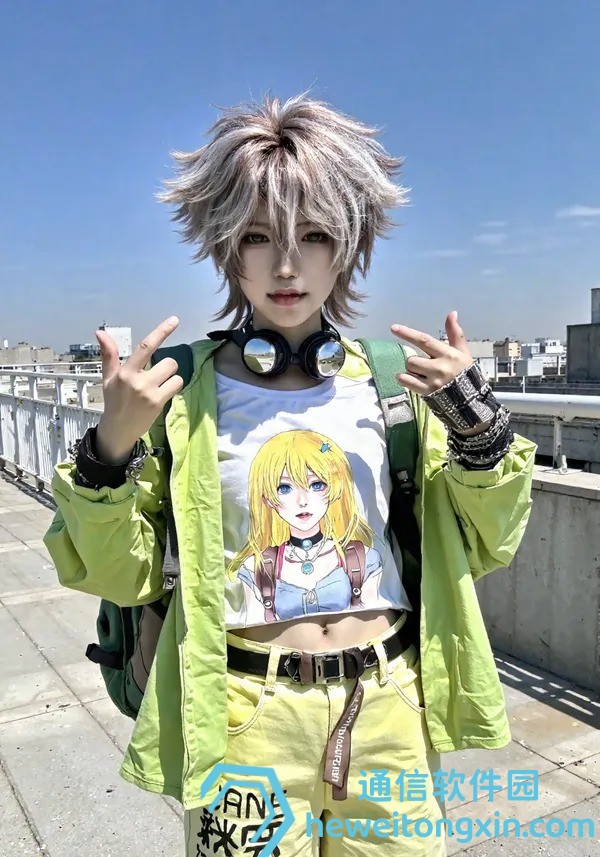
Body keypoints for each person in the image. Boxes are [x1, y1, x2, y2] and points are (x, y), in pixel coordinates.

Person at [44, 92, 536, 857]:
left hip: (389, 709)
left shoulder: (390, 386)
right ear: (224, 246)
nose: (284, 265)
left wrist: (478, 427)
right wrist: (110, 447)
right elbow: (119, 572)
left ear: (349, 244)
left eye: (313, 234)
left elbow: (486, 543)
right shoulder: (184, 395)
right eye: (256, 236)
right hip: (244, 716)